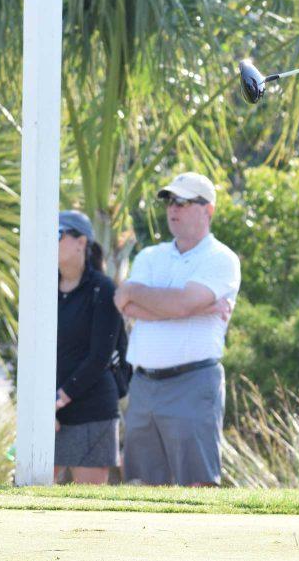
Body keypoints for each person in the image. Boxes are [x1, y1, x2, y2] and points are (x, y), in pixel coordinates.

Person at [113, 172, 240, 486]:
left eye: (184, 201)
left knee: (197, 486)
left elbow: (178, 303)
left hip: (193, 382)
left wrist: (149, 298)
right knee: (141, 485)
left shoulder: (221, 258)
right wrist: (192, 307)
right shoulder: (149, 255)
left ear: (208, 209)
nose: (174, 209)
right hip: (143, 384)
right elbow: (124, 304)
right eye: (170, 201)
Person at [54, 210, 122, 484]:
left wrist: (58, 399)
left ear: (81, 242)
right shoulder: (41, 287)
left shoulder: (103, 288)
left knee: (88, 506)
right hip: (50, 411)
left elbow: (100, 357)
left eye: (57, 234)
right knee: (30, 496)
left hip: (92, 411)